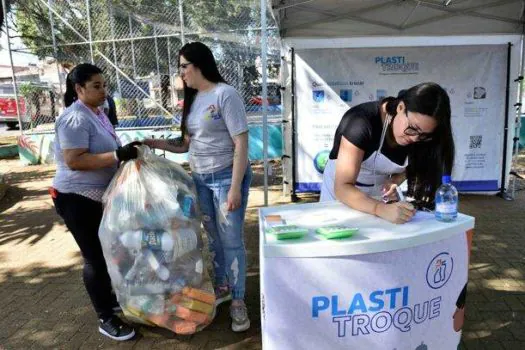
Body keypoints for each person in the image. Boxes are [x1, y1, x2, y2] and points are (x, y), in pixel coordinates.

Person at [144, 41, 252, 332]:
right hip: (200, 181)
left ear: (198, 65)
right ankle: (223, 287)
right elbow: (186, 145)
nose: (180, 72)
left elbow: (241, 142)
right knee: (213, 240)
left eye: (183, 66)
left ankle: (239, 301)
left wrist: (235, 188)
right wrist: (154, 144)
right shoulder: (192, 101)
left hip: (227, 177)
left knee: (231, 241)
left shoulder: (225, 95)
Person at [51, 63, 141, 341]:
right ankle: (105, 317)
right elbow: (74, 160)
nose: (104, 91)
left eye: (104, 85)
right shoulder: (74, 118)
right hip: (77, 198)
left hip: (98, 197)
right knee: (95, 259)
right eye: (96, 86)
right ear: (79, 89)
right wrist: (116, 156)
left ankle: (109, 299)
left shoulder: (97, 113)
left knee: (110, 252)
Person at [320, 82, 455, 224]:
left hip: (378, 197)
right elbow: (343, 188)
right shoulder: (361, 121)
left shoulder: (423, 136)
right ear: (400, 107)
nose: (415, 138)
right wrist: (379, 208)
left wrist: (395, 180)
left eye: (423, 135)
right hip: (341, 195)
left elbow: (416, 165)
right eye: (412, 128)